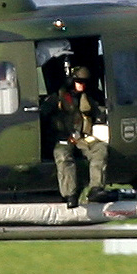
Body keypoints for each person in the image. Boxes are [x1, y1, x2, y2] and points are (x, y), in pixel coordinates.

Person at [42, 65, 108, 208]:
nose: (82, 85)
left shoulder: (90, 99)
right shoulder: (57, 98)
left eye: (84, 82)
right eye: (79, 81)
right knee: (63, 156)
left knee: (100, 149)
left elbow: (100, 113)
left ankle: (96, 188)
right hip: (63, 138)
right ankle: (70, 194)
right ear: (71, 81)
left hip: (82, 138)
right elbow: (42, 115)